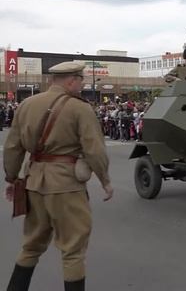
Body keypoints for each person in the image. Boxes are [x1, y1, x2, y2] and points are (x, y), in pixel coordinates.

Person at [4, 61, 112, 291]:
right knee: (73, 251)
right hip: (66, 185)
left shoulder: (26, 105)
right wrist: (105, 181)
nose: (82, 85)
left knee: (31, 246)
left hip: (33, 181)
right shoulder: (80, 108)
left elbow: (13, 147)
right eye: (81, 80)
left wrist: (11, 179)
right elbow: (95, 150)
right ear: (72, 80)